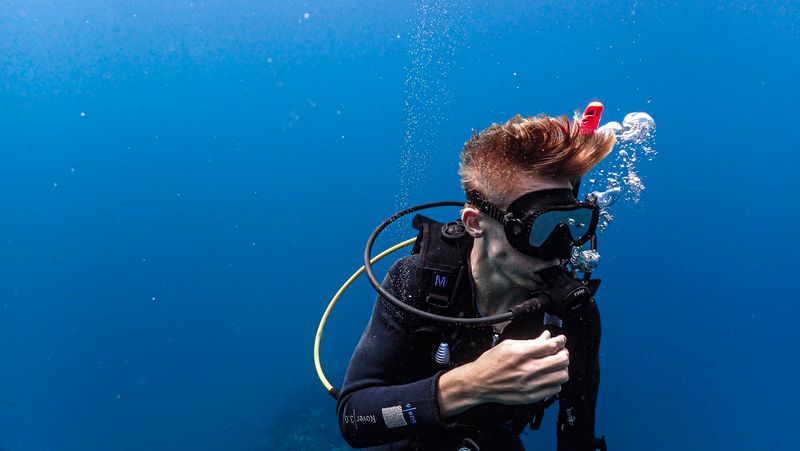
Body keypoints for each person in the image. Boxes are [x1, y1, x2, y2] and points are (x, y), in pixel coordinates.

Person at [337, 110, 616, 450]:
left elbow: (577, 434)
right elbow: (355, 420)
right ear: (474, 223)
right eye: (539, 229)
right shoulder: (417, 282)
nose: (559, 251)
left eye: (571, 224)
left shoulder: (572, 313)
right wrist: (471, 384)